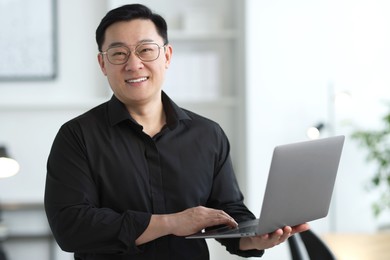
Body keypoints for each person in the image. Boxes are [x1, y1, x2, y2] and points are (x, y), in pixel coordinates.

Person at [44, 4, 309, 260]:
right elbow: (71, 227)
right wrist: (172, 223)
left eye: (146, 50)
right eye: (118, 53)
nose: (134, 64)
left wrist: (253, 238)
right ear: (103, 64)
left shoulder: (208, 134)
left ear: (167, 55)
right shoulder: (76, 136)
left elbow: (228, 213)